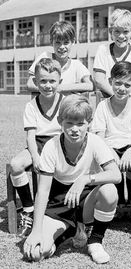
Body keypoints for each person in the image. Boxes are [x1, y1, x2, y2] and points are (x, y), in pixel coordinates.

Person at [22, 94, 121, 264]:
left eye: (80, 123)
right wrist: (36, 231)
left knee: (109, 190)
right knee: (35, 253)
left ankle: (95, 241)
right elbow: (43, 191)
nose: (75, 129)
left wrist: (84, 179)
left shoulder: (95, 141)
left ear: (89, 122)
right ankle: (71, 230)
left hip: (85, 199)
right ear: (60, 121)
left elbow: (116, 175)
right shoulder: (51, 146)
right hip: (59, 203)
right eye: (69, 123)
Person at [91, 61, 131, 242]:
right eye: (118, 83)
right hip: (109, 147)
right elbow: (99, 138)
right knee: (102, 164)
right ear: (110, 81)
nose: (122, 88)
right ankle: (105, 210)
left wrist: (129, 152)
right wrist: (110, 153)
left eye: (127, 84)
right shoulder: (103, 106)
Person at [9, 58, 63, 237]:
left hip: (58, 145)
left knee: (46, 174)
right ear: (35, 82)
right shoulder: (31, 105)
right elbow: (30, 136)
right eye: (43, 81)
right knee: (16, 165)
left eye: (52, 81)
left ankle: (53, 211)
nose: (48, 85)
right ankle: (29, 209)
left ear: (59, 82)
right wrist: (35, 157)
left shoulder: (65, 103)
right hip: (38, 143)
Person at [93, 8, 131, 98]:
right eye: (117, 31)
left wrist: (128, 97)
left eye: (125, 31)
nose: (121, 36)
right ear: (110, 31)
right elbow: (99, 80)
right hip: (109, 103)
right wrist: (117, 96)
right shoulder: (103, 50)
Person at [26, 21, 93, 94]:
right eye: (58, 43)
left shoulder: (76, 65)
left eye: (66, 43)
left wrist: (62, 88)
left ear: (73, 42)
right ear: (51, 42)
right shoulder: (45, 57)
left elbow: (90, 85)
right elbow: (30, 84)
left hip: (67, 104)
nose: (62, 47)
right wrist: (51, 89)